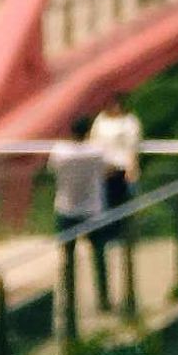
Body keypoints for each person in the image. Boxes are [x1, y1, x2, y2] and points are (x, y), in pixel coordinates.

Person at [48, 119, 113, 312]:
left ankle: (68, 302)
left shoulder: (60, 152)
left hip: (66, 209)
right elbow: (109, 169)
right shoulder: (96, 152)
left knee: (67, 258)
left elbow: (52, 169)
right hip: (92, 209)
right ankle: (103, 300)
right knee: (99, 256)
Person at [88, 95, 144, 239]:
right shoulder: (100, 120)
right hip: (104, 168)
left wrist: (132, 167)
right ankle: (107, 234)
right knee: (104, 202)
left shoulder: (130, 121)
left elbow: (133, 145)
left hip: (122, 167)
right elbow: (94, 143)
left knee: (123, 201)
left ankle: (126, 234)